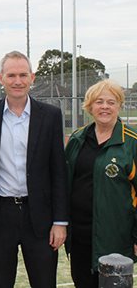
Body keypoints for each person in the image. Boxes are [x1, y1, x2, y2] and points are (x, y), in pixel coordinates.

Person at [0, 50, 68, 288]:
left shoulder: (50, 115)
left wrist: (60, 221)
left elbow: (58, 170)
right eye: (11, 75)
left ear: (32, 77)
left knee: (44, 283)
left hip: (39, 216)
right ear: (1, 78)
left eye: (22, 75)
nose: (17, 81)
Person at [65, 79, 137, 287]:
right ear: (90, 106)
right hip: (80, 237)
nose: (104, 106)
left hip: (116, 238)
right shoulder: (77, 139)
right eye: (99, 101)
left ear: (119, 106)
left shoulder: (131, 143)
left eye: (111, 102)